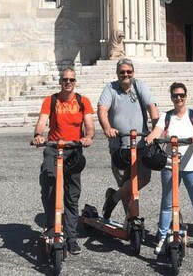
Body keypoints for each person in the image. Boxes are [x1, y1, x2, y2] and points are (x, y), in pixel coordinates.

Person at [145, 82, 193, 258]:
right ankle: (162, 238)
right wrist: (151, 137)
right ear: (171, 97)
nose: (179, 98)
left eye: (182, 95)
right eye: (175, 95)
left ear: (186, 96)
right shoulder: (166, 116)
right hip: (170, 165)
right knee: (167, 204)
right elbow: (158, 130)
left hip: (191, 166)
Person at [33, 67, 95, 255]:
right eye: (65, 80)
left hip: (73, 150)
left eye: (71, 80)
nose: (68, 83)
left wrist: (88, 137)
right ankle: (52, 227)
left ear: (75, 82)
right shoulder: (50, 100)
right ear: (60, 81)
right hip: (53, 147)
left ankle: (72, 237)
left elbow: (90, 125)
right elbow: (42, 122)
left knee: (72, 194)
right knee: (49, 182)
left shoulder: (83, 101)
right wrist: (38, 135)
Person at [97, 58, 159, 220]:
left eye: (129, 71)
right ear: (117, 73)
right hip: (119, 145)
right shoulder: (110, 88)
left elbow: (152, 107)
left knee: (143, 178)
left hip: (142, 143)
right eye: (122, 72)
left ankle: (113, 198)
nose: (126, 74)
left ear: (133, 73)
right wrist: (107, 128)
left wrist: (155, 130)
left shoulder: (139, 86)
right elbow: (102, 109)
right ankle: (130, 222)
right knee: (125, 183)